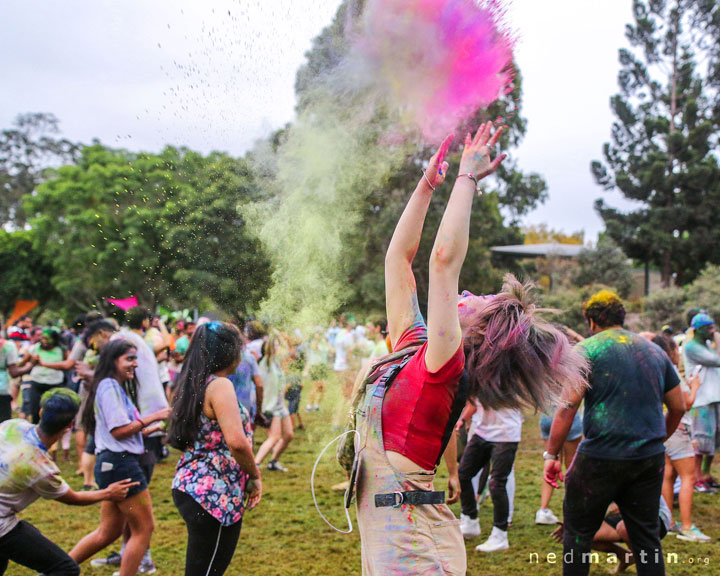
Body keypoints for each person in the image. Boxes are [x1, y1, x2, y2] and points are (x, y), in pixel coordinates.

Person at [352, 124, 587, 575]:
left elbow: (442, 262)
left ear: (477, 332)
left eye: (474, 300)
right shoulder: (412, 346)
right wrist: (427, 183)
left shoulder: (445, 364)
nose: (465, 295)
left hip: (415, 543)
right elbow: (398, 259)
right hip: (392, 529)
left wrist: (468, 179)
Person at [544, 290, 686, 576]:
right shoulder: (655, 351)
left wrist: (551, 454)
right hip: (648, 458)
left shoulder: (587, 350)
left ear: (591, 320)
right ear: (621, 317)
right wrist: (658, 440)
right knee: (646, 540)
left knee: (578, 535)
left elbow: (568, 405)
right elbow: (679, 406)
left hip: (600, 457)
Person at [0, 388, 135, 576]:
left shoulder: (13, 425)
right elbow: (73, 498)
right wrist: (108, 493)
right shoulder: (41, 468)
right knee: (65, 568)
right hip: (2, 527)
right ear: (70, 425)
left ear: (40, 413)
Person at [69, 339, 169, 576]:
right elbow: (119, 431)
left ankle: (56, 569)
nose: (135, 364)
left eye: (136, 358)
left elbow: (126, 431)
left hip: (112, 463)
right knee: (144, 529)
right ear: (113, 360)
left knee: (107, 532)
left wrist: (157, 425)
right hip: (121, 464)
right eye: (129, 359)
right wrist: (155, 414)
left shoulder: (112, 387)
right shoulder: (110, 387)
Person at [169, 322, 262, 576]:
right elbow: (236, 441)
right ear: (227, 352)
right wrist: (254, 476)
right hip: (213, 493)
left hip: (193, 486)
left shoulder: (193, 381)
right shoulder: (220, 386)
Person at [652, 333, 710, 541]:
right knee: (688, 476)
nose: (678, 353)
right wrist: (694, 387)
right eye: (676, 349)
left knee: (668, 474)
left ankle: (669, 522)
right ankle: (687, 527)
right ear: (670, 351)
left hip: (662, 427)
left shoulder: (653, 369)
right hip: (677, 428)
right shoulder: (671, 371)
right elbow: (686, 404)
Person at [456, 401, 522, 552]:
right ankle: (470, 520)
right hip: (482, 432)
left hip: (506, 434)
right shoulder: (479, 377)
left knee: (497, 484)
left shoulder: (509, 376)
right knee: (463, 474)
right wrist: (462, 419)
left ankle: (500, 535)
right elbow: (474, 402)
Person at [550, 497, 673, 574]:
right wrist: (572, 525)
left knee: (624, 527)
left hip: (653, 515)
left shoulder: (625, 462)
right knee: (581, 533)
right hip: (623, 516)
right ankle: (625, 556)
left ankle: (652, 568)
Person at [682, 312, 720, 492]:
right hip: (701, 400)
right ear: (698, 330)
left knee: (711, 440)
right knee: (700, 441)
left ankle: (705, 475)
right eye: (709, 328)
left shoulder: (704, 344)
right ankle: (696, 478)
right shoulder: (691, 347)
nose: (712, 330)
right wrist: (718, 338)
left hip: (713, 397)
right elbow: (718, 360)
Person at [255, 330, 294, 471]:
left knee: (288, 435)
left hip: (281, 405)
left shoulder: (276, 362)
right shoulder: (265, 363)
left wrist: (278, 335)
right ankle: (256, 464)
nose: (278, 347)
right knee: (274, 437)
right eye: (275, 345)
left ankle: (273, 462)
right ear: (269, 347)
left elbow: (286, 349)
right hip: (271, 407)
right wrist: (273, 337)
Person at [17, 328, 71, 424]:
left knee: (53, 412)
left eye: (47, 339)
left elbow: (68, 365)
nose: (44, 341)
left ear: (54, 339)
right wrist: (32, 361)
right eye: (43, 338)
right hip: (37, 383)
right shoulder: (35, 348)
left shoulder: (61, 350)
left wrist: (44, 364)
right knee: (35, 411)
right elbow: (21, 364)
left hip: (55, 384)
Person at [0, 337, 32, 422]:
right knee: (3, 423)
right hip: (2, 389)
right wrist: (30, 366)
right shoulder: (8, 346)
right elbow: (14, 372)